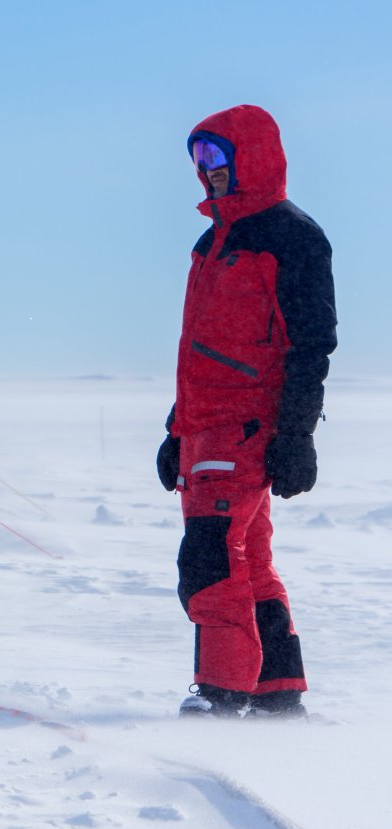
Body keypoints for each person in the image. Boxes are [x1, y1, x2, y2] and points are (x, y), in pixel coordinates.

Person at [156, 104, 337, 718]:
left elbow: (312, 344)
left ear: (251, 156)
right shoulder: (212, 241)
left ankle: (222, 696)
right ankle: (275, 693)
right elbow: (199, 351)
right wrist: (173, 429)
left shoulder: (293, 237)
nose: (206, 170)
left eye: (217, 156)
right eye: (198, 158)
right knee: (248, 560)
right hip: (204, 429)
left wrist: (297, 435)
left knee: (208, 557)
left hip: (248, 428)